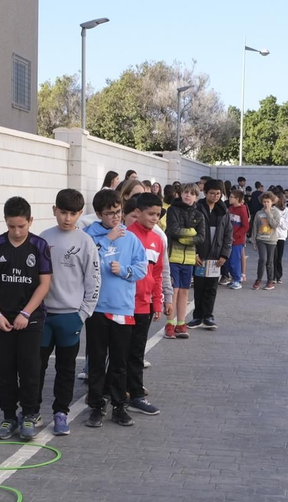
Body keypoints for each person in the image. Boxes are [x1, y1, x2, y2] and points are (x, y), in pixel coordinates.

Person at [0, 197, 55, 442]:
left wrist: (25, 313)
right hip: (1, 321)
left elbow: (44, 284)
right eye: (12, 226)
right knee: (5, 369)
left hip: (30, 321)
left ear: (30, 221)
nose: (17, 231)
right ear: (6, 222)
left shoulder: (39, 246)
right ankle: (9, 416)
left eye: (21, 226)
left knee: (30, 368)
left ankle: (30, 414)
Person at [39, 189, 101, 437]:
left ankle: (60, 412)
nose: (67, 218)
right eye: (63, 212)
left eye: (73, 213)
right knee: (36, 366)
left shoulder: (86, 242)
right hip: (43, 317)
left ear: (79, 214)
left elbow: (93, 280)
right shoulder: (43, 239)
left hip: (70, 318)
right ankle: (31, 411)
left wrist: (83, 313)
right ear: (54, 210)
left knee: (66, 369)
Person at [83, 189, 147, 428]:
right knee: (97, 360)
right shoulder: (90, 236)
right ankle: (97, 405)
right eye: (110, 214)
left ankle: (119, 406)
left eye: (118, 212)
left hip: (122, 308)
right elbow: (86, 262)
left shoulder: (131, 238)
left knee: (119, 361)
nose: (116, 218)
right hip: (97, 308)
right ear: (99, 214)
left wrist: (126, 271)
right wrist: (107, 240)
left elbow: (142, 267)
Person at [124, 192, 167, 416]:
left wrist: (157, 302)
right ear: (137, 213)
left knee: (137, 352)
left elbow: (158, 274)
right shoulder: (125, 236)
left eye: (158, 215)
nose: (154, 219)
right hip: (123, 305)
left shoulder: (158, 240)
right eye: (151, 214)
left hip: (145, 306)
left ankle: (136, 394)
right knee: (122, 351)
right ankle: (118, 392)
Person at [188, 179, 232, 330]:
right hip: (200, 254)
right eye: (212, 193)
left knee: (212, 287)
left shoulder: (224, 211)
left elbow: (228, 234)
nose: (215, 196)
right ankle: (197, 316)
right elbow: (190, 231)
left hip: (216, 256)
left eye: (218, 194)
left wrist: (224, 255)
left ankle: (208, 316)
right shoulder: (197, 208)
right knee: (199, 286)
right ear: (205, 193)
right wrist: (193, 253)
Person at [165, 182, 205, 338]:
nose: (188, 195)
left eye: (192, 193)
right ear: (180, 194)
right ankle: (170, 323)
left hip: (189, 260)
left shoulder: (199, 214)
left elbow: (201, 237)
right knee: (173, 291)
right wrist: (191, 232)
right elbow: (173, 230)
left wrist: (184, 239)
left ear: (196, 196)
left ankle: (181, 323)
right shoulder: (172, 210)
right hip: (173, 257)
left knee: (184, 291)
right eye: (185, 192)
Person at [251, 192, 280, 289]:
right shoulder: (259, 213)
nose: (266, 204)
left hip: (271, 240)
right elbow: (254, 227)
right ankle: (258, 279)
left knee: (270, 261)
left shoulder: (276, 212)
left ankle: (270, 280)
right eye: (264, 202)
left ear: (272, 202)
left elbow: (275, 225)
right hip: (261, 239)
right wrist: (253, 241)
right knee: (262, 259)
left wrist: (268, 213)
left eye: (268, 202)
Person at [223, 187, 250, 290]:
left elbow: (246, 226)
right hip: (229, 239)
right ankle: (234, 278)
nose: (229, 198)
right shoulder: (230, 209)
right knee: (228, 261)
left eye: (232, 197)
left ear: (238, 198)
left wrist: (236, 236)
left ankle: (238, 279)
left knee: (234, 261)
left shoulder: (242, 210)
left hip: (237, 241)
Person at [273, 189, 288, 284]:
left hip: (281, 237)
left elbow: (287, 224)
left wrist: (280, 221)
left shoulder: (286, 211)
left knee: (279, 257)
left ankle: (278, 276)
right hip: (273, 237)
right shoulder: (272, 209)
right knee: (273, 257)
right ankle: (272, 276)